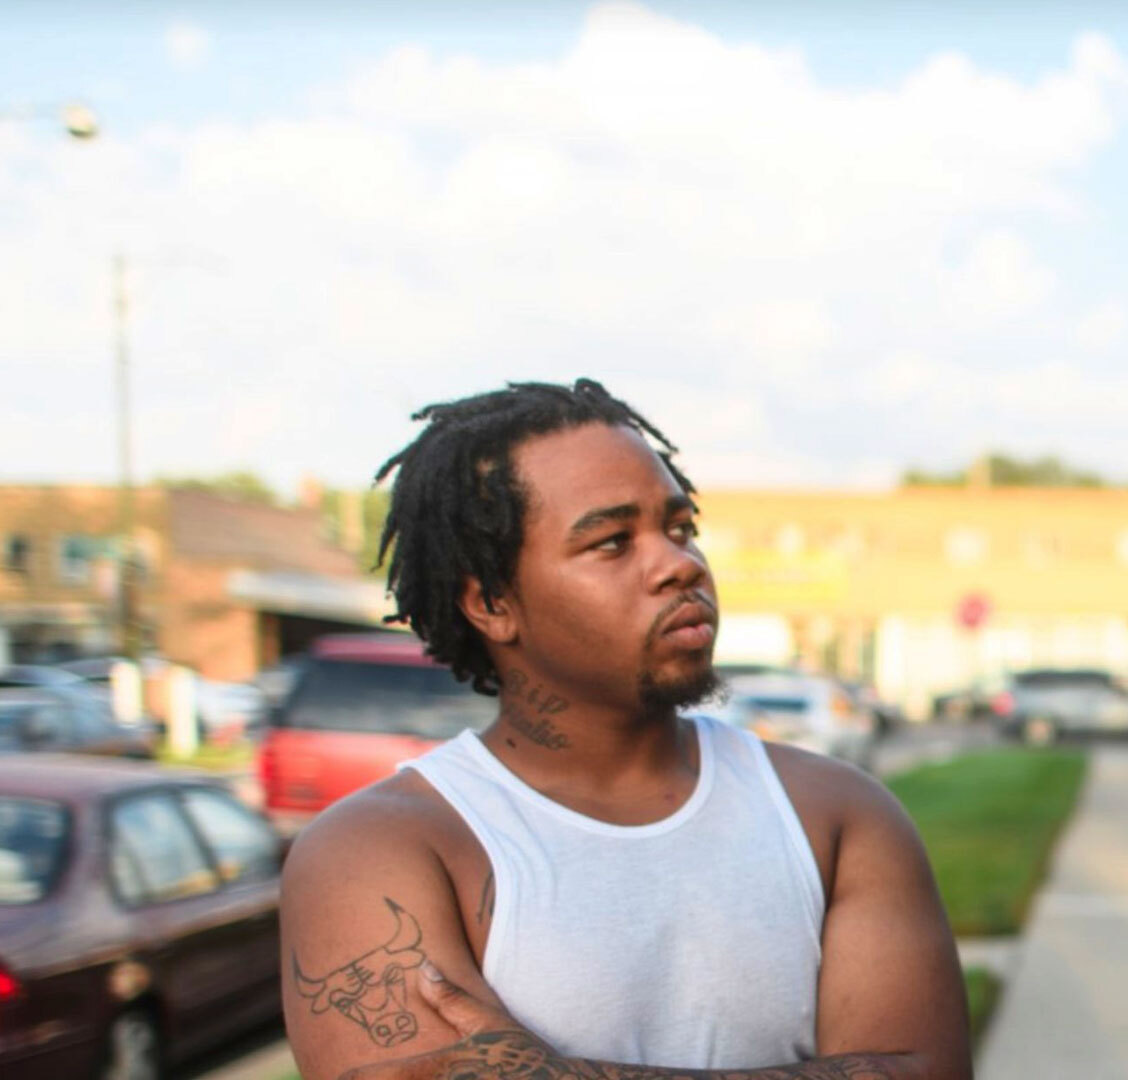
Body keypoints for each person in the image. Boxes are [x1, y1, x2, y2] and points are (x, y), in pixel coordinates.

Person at [281, 379, 969, 1080]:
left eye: (679, 528)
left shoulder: (835, 817)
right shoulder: (379, 851)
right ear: (490, 603)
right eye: (613, 542)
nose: (681, 565)